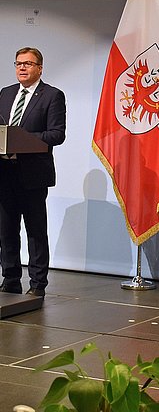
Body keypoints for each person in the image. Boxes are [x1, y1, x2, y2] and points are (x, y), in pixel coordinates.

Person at [0, 47, 66, 298]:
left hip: (33, 174)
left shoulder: (52, 96)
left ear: (40, 67)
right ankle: (11, 278)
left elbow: (56, 134)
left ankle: (38, 284)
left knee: (35, 230)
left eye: (28, 63)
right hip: (5, 172)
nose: (22, 68)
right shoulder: (6, 94)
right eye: (18, 63)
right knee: (6, 229)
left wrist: (21, 139)